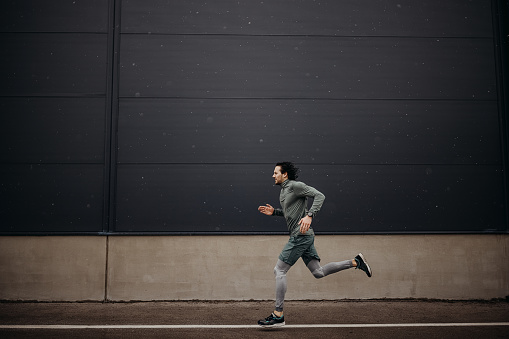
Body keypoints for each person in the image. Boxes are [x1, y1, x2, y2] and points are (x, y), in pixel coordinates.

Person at [257, 162, 372, 328]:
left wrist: (310, 215)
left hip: (300, 236)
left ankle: (278, 315)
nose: (273, 175)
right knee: (318, 272)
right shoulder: (284, 191)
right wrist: (274, 212)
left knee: (279, 270)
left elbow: (320, 196)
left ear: (285, 175)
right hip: (304, 236)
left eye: (276, 173)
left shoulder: (296, 186)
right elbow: (291, 213)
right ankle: (355, 262)